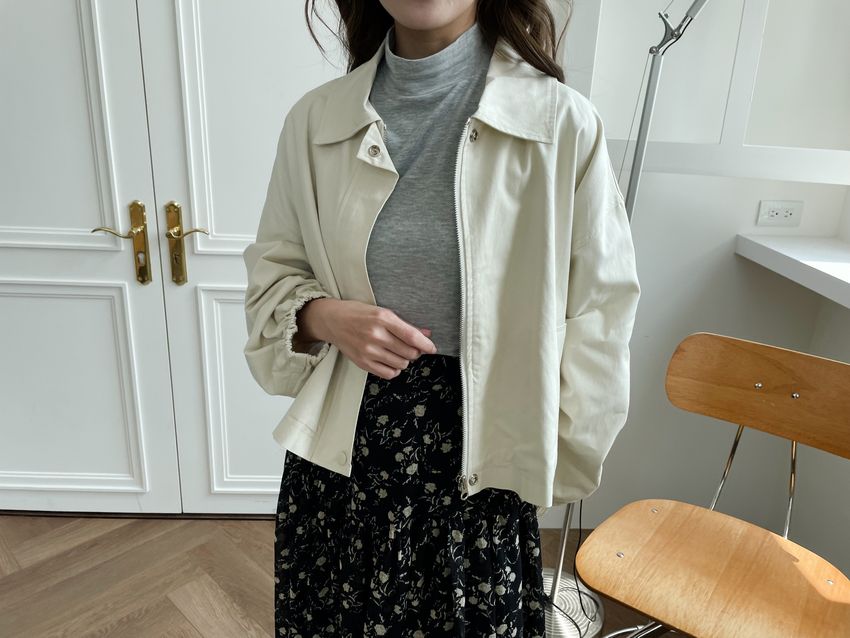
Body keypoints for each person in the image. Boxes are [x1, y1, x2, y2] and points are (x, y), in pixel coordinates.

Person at [242, 1, 641, 635]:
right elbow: (273, 274)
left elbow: (599, 314)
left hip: (485, 459)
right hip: (346, 460)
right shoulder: (316, 121)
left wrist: (555, 457)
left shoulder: (562, 124)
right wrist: (325, 317)